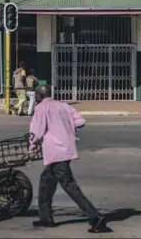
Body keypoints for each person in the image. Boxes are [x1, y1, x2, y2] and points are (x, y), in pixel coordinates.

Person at [29, 85, 110, 233]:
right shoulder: (64, 106)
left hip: (55, 152)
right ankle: (46, 218)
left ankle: (96, 218)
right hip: (66, 149)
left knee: (70, 186)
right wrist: (66, 126)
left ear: (40, 95)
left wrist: (31, 147)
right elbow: (80, 121)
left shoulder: (41, 108)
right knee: (45, 183)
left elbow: (37, 131)